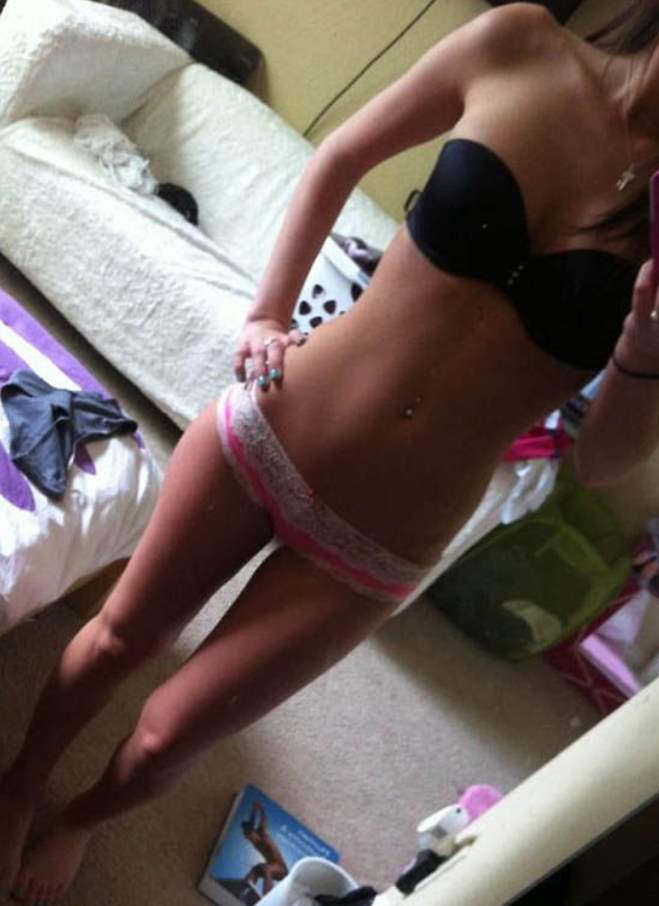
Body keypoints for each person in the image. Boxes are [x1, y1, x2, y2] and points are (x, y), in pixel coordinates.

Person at [2, 0, 659, 901]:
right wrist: (266, 312)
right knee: (119, 637)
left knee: (165, 739)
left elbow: (601, 462)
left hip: (379, 542)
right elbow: (341, 156)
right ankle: (20, 786)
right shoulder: (520, 44)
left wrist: (642, 347)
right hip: (274, 425)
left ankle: (80, 821)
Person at [241, 800, 288, 896]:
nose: (251, 839)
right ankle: (243, 889)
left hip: (281, 869)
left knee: (266, 868)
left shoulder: (262, 833)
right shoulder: (253, 840)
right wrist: (254, 810)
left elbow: (264, 819)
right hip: (272, 867)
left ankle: (266, 897)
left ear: (254, 832)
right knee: (256, 869)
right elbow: (251, 823)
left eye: (251, 836)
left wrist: (260, 808)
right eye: (249, 837)